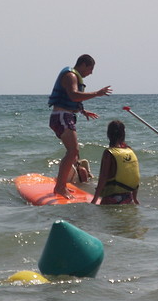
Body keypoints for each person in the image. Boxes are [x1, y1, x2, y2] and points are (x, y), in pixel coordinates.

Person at [48, 54, 112, 198]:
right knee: (73, 151)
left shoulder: (74, 76)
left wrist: (82, 111)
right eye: (91, 68)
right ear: (83, 64)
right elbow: (74, 95)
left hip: (65, 116)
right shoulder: (70, 75)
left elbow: (71, 99)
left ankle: (61, 185)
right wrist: (97, 93)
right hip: (61, 117)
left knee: (73, 152)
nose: (91, 73)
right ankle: (59, 187)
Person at [91, 120, 140, 205]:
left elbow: (103, 177)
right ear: (123, 135)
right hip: (128, 198)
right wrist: (135, 198)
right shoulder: (129, 151)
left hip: (111, 199)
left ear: (109, 135)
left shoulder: (109, 153)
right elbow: (134, 176)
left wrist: (94, 200)